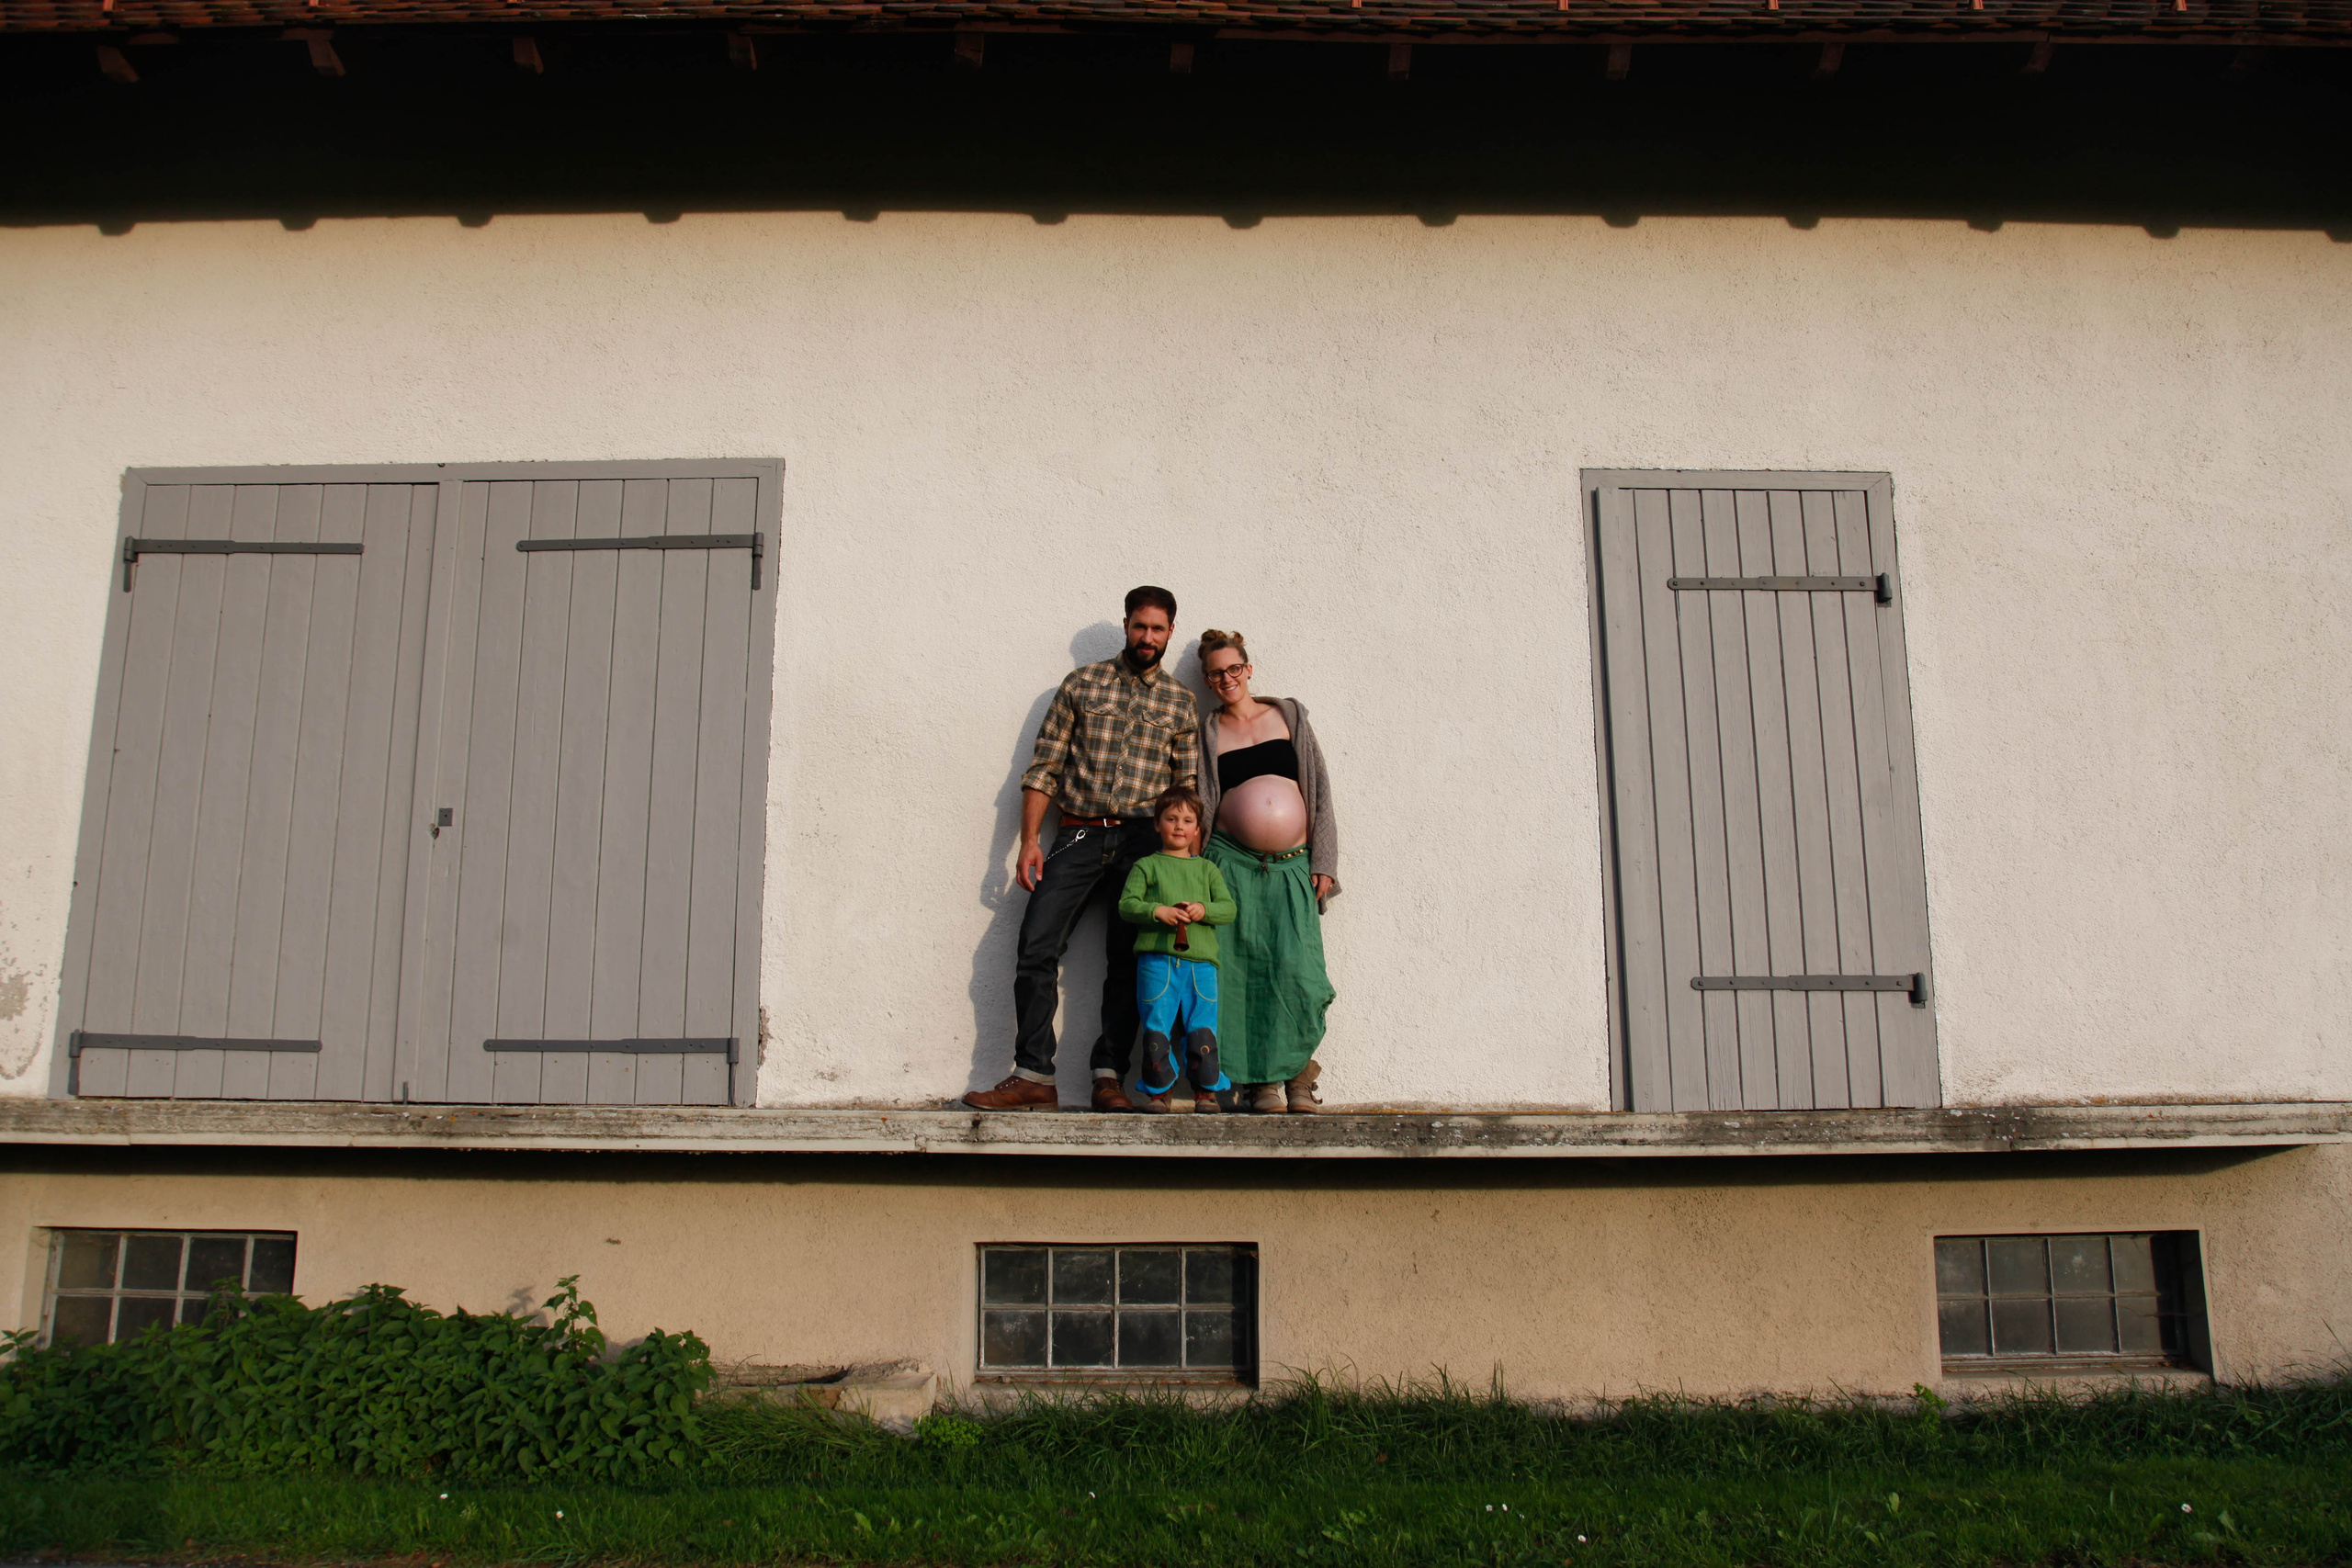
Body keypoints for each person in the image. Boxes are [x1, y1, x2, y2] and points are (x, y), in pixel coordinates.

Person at [964, 586, 1200, 1112]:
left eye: (1157, 629)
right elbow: (1044, 766)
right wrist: (1029, 840)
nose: (1147, 637)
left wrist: (1184, 868)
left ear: (1170, 632)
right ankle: (1033, 1075)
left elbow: (1186, 791)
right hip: (1077, 832)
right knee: (1036, 945)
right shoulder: (1082, 684)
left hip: (1145, 842)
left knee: (1129, 960)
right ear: (1126, 625)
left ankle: (1109, 1077)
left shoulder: (1180, 703)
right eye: (1139, 626)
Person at [1194, 630, 1340, 1113]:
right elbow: (1200, 802)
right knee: (1241, 975)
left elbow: (1319, 789)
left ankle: (1297, 1079)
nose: (1227, 678)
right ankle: (1261, 1086)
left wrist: (1324, 860)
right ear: (1208, 680)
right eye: (1216, 673)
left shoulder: (1288, 716)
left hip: (1292, 865)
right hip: (1230, 864)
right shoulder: (1208, 733)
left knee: (1299, 973)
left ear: (1249, 668)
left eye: (1234, 668)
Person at [1115, 787, 1238, 1114]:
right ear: (1157, 824)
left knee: (1202, 1028)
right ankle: (1159, 1092)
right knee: (1156, 1025)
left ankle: (1206, 1091)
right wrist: (1157, 911)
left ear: (1198, 829)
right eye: (1171, 819)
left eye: (1187, 820)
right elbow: (1127, 905)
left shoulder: (1208, 870)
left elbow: (1228, 909)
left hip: (1201, 965)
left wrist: (1204, 909)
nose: (1179, 826)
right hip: (1156, 961)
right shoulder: (1146, 866)